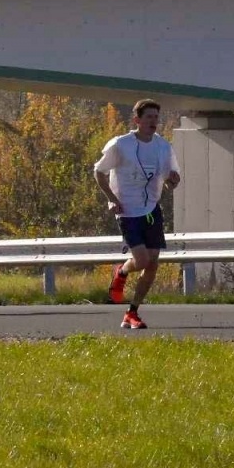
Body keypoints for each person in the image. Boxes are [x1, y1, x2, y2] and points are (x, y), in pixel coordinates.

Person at [94, 99, 181, 330]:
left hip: (151, 209)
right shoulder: (121, 145)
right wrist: (111, 199)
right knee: (142, 260)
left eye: (156, 117)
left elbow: (170, 180)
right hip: (127, 211)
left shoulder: (163, 147)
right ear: (137, 120)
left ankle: (132, 312)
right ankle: (122, 271)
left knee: (152, 264)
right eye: (149, 117)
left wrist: (173, 180)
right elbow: (99, 172)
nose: (153, 121)